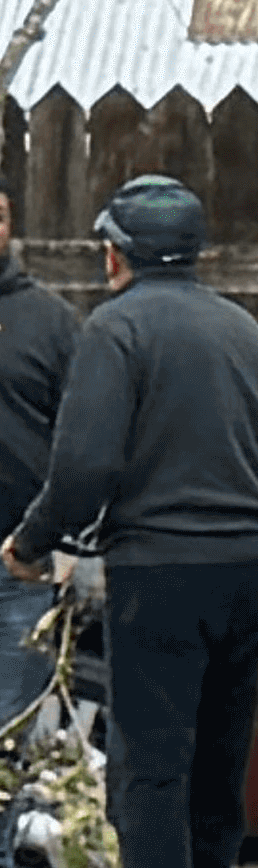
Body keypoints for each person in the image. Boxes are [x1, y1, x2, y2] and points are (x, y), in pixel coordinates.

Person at [3, 173, 258, 868]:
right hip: (255, 561)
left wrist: (30, 542)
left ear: (112, 251)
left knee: (151, 769)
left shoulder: (116, 329)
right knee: (216, 762)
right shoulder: (244, 330)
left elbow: (84, 465)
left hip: (165, 565)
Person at [0, 185, 80, 741]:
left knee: (12, 737)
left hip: (19, 564)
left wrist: (68, 543)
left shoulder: (53, 323)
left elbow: (85, 444)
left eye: (0, 216)